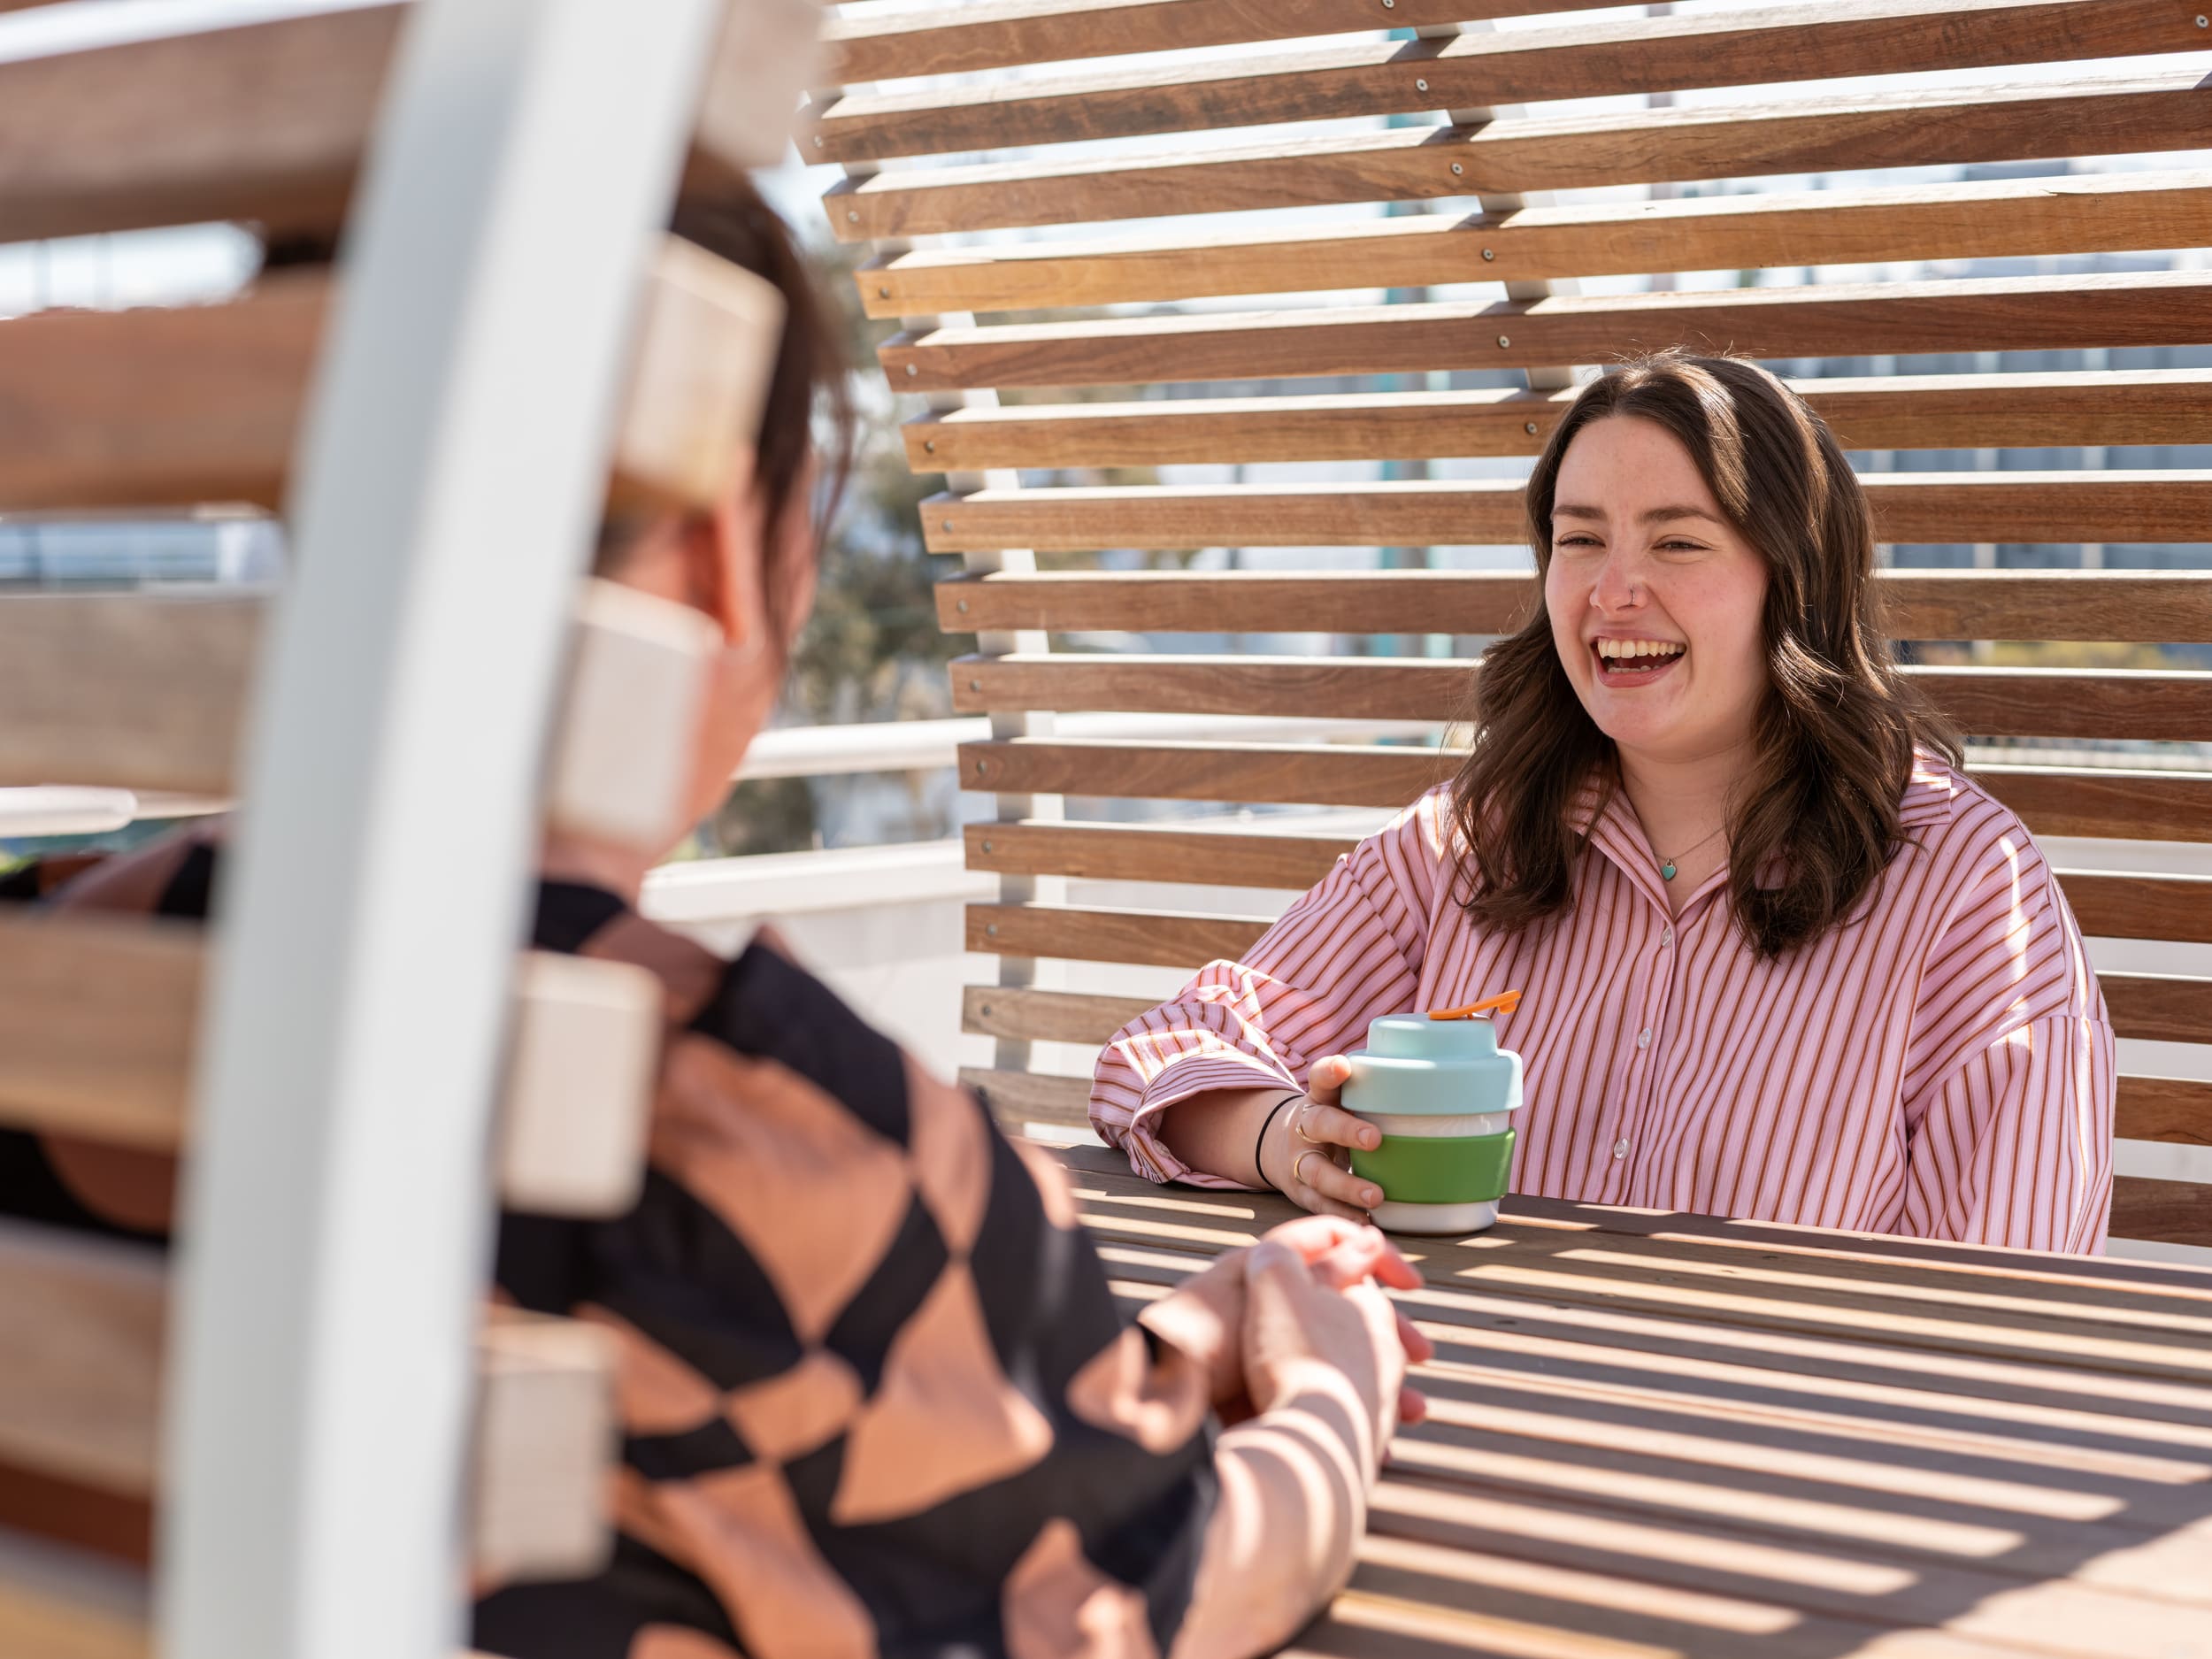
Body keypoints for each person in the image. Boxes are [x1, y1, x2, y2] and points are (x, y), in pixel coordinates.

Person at [0, 184, 1432, 1657]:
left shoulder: (49, 975)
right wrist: (1332, 1378)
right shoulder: (744, 1130)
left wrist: (1173, 1345)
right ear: (716, 553)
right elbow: (1162, 1592)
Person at [1093, 351, 2115, 1256]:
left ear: (1793, 580)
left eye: (1678, 543)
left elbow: (2007, 1292)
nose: (1612, 591)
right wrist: (1289, 1143)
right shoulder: (1464, 843)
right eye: (1580, 539)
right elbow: (1164, 1053)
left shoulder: (1965, 887)